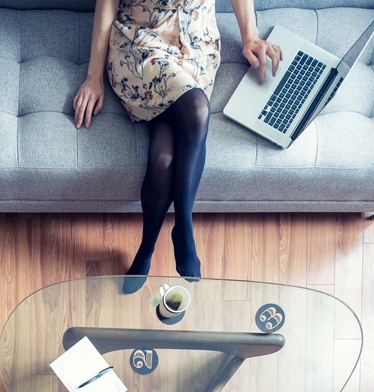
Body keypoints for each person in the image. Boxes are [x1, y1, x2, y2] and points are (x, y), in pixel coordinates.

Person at [73, 0, 282, 290]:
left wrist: (250, 35)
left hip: (196, 46)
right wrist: (93, 76)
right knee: (196, 109)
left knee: (163, 159)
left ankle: (146, 250)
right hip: (142, 44)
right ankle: (183, 226)